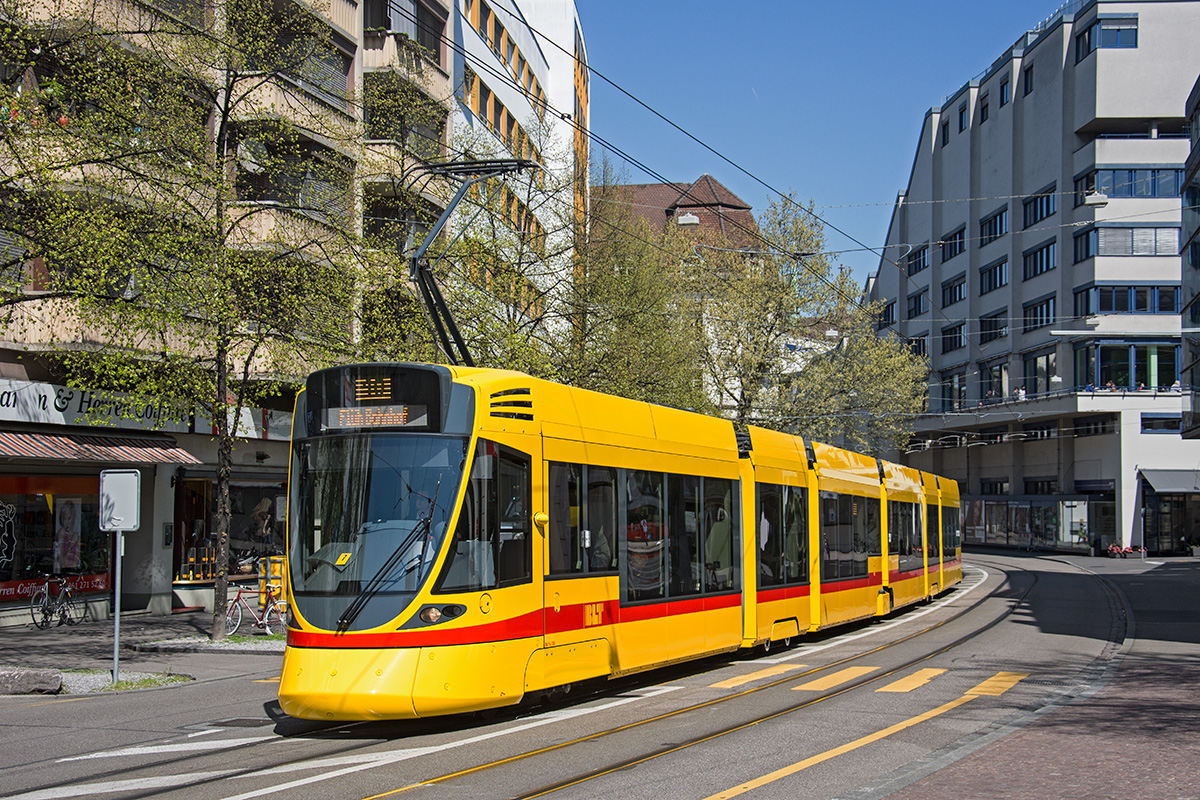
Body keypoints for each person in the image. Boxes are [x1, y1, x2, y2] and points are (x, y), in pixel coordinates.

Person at [54, 499, 81, 572]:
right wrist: (72, 544)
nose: (67, 523)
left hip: (74, 573)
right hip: (63, 572)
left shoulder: (76, 536)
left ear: (74, 517)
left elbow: (77, 561)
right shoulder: (61, 533)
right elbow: (62, 563)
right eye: (64, 519)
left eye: (69, 518)